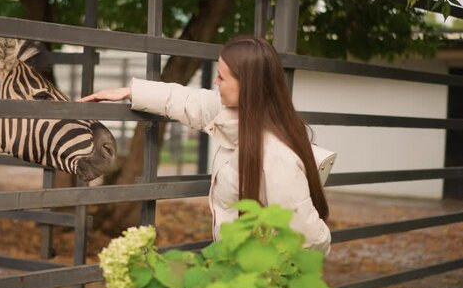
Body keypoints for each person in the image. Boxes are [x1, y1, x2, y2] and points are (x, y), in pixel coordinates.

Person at [80, 35, 335, 255]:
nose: (216, 82)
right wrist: (129, 92)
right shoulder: (236, 115)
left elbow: (309, 239)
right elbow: (188, 100)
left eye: (222, 78)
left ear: (248, 85)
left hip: (262, 283)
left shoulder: (276, 156)